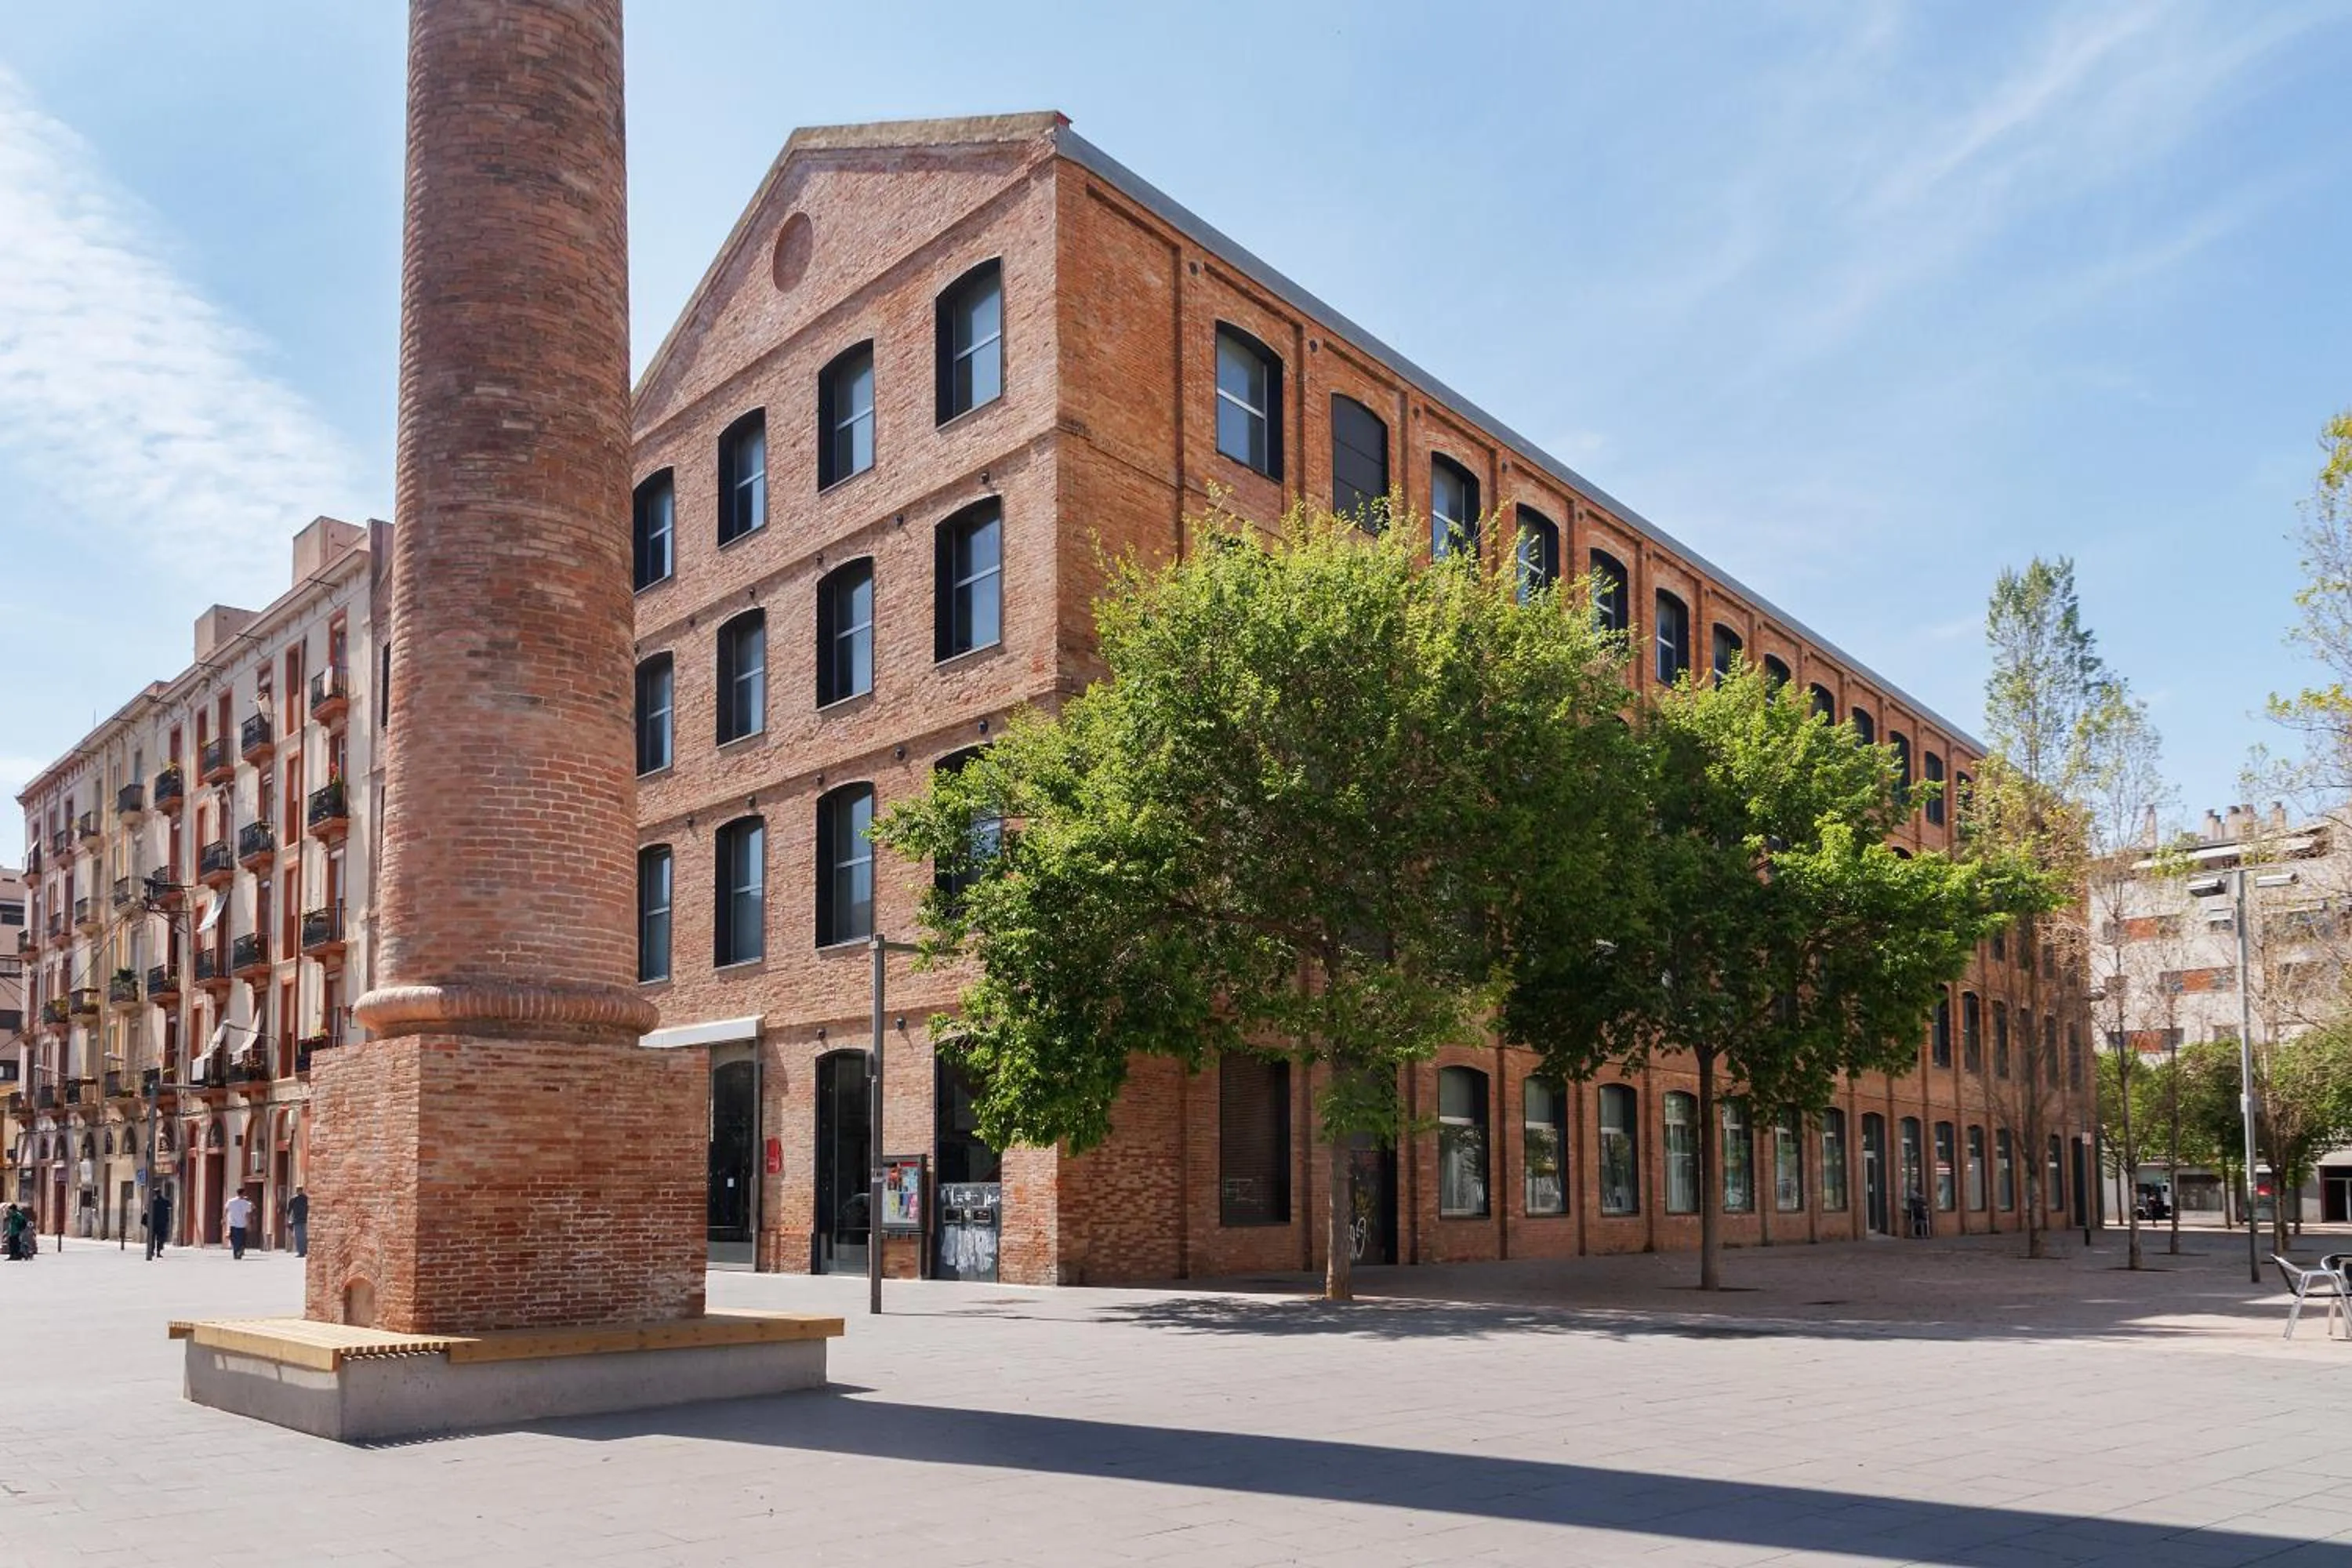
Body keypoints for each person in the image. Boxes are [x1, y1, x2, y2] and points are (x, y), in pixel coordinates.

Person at [225, 1189, 254, 1260]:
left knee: (234, 1239)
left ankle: (236, 1252)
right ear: (243, 1194)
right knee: (241, 1239)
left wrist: (224, 1218)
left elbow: (226, 1210)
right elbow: (249, 1213)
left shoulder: (231, 1201)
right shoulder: (246, 1203)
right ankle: (240, 1250)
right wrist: (249, 1223)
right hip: (242, 1224)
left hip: (233, 1224)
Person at [147, 1189, 172, 1260]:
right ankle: (158, 1252)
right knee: (160, 1238)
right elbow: (170, 1206)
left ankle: (152, 1251)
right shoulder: (165, 1201)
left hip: (154, 1223)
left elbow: (148, 1211)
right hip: (162, 1223)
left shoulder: (153, 1202)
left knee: (152, 1238)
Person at [288, 1187, 308, 1258]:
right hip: (302, 1220)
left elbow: (289, 1210)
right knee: (302, 1236)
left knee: (299, 1237)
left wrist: (289, 1219)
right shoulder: (306, 1198)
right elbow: (289, 1210)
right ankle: (303, 1251)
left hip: (299, 1220)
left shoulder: (294, 1199)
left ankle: (302, 1252)